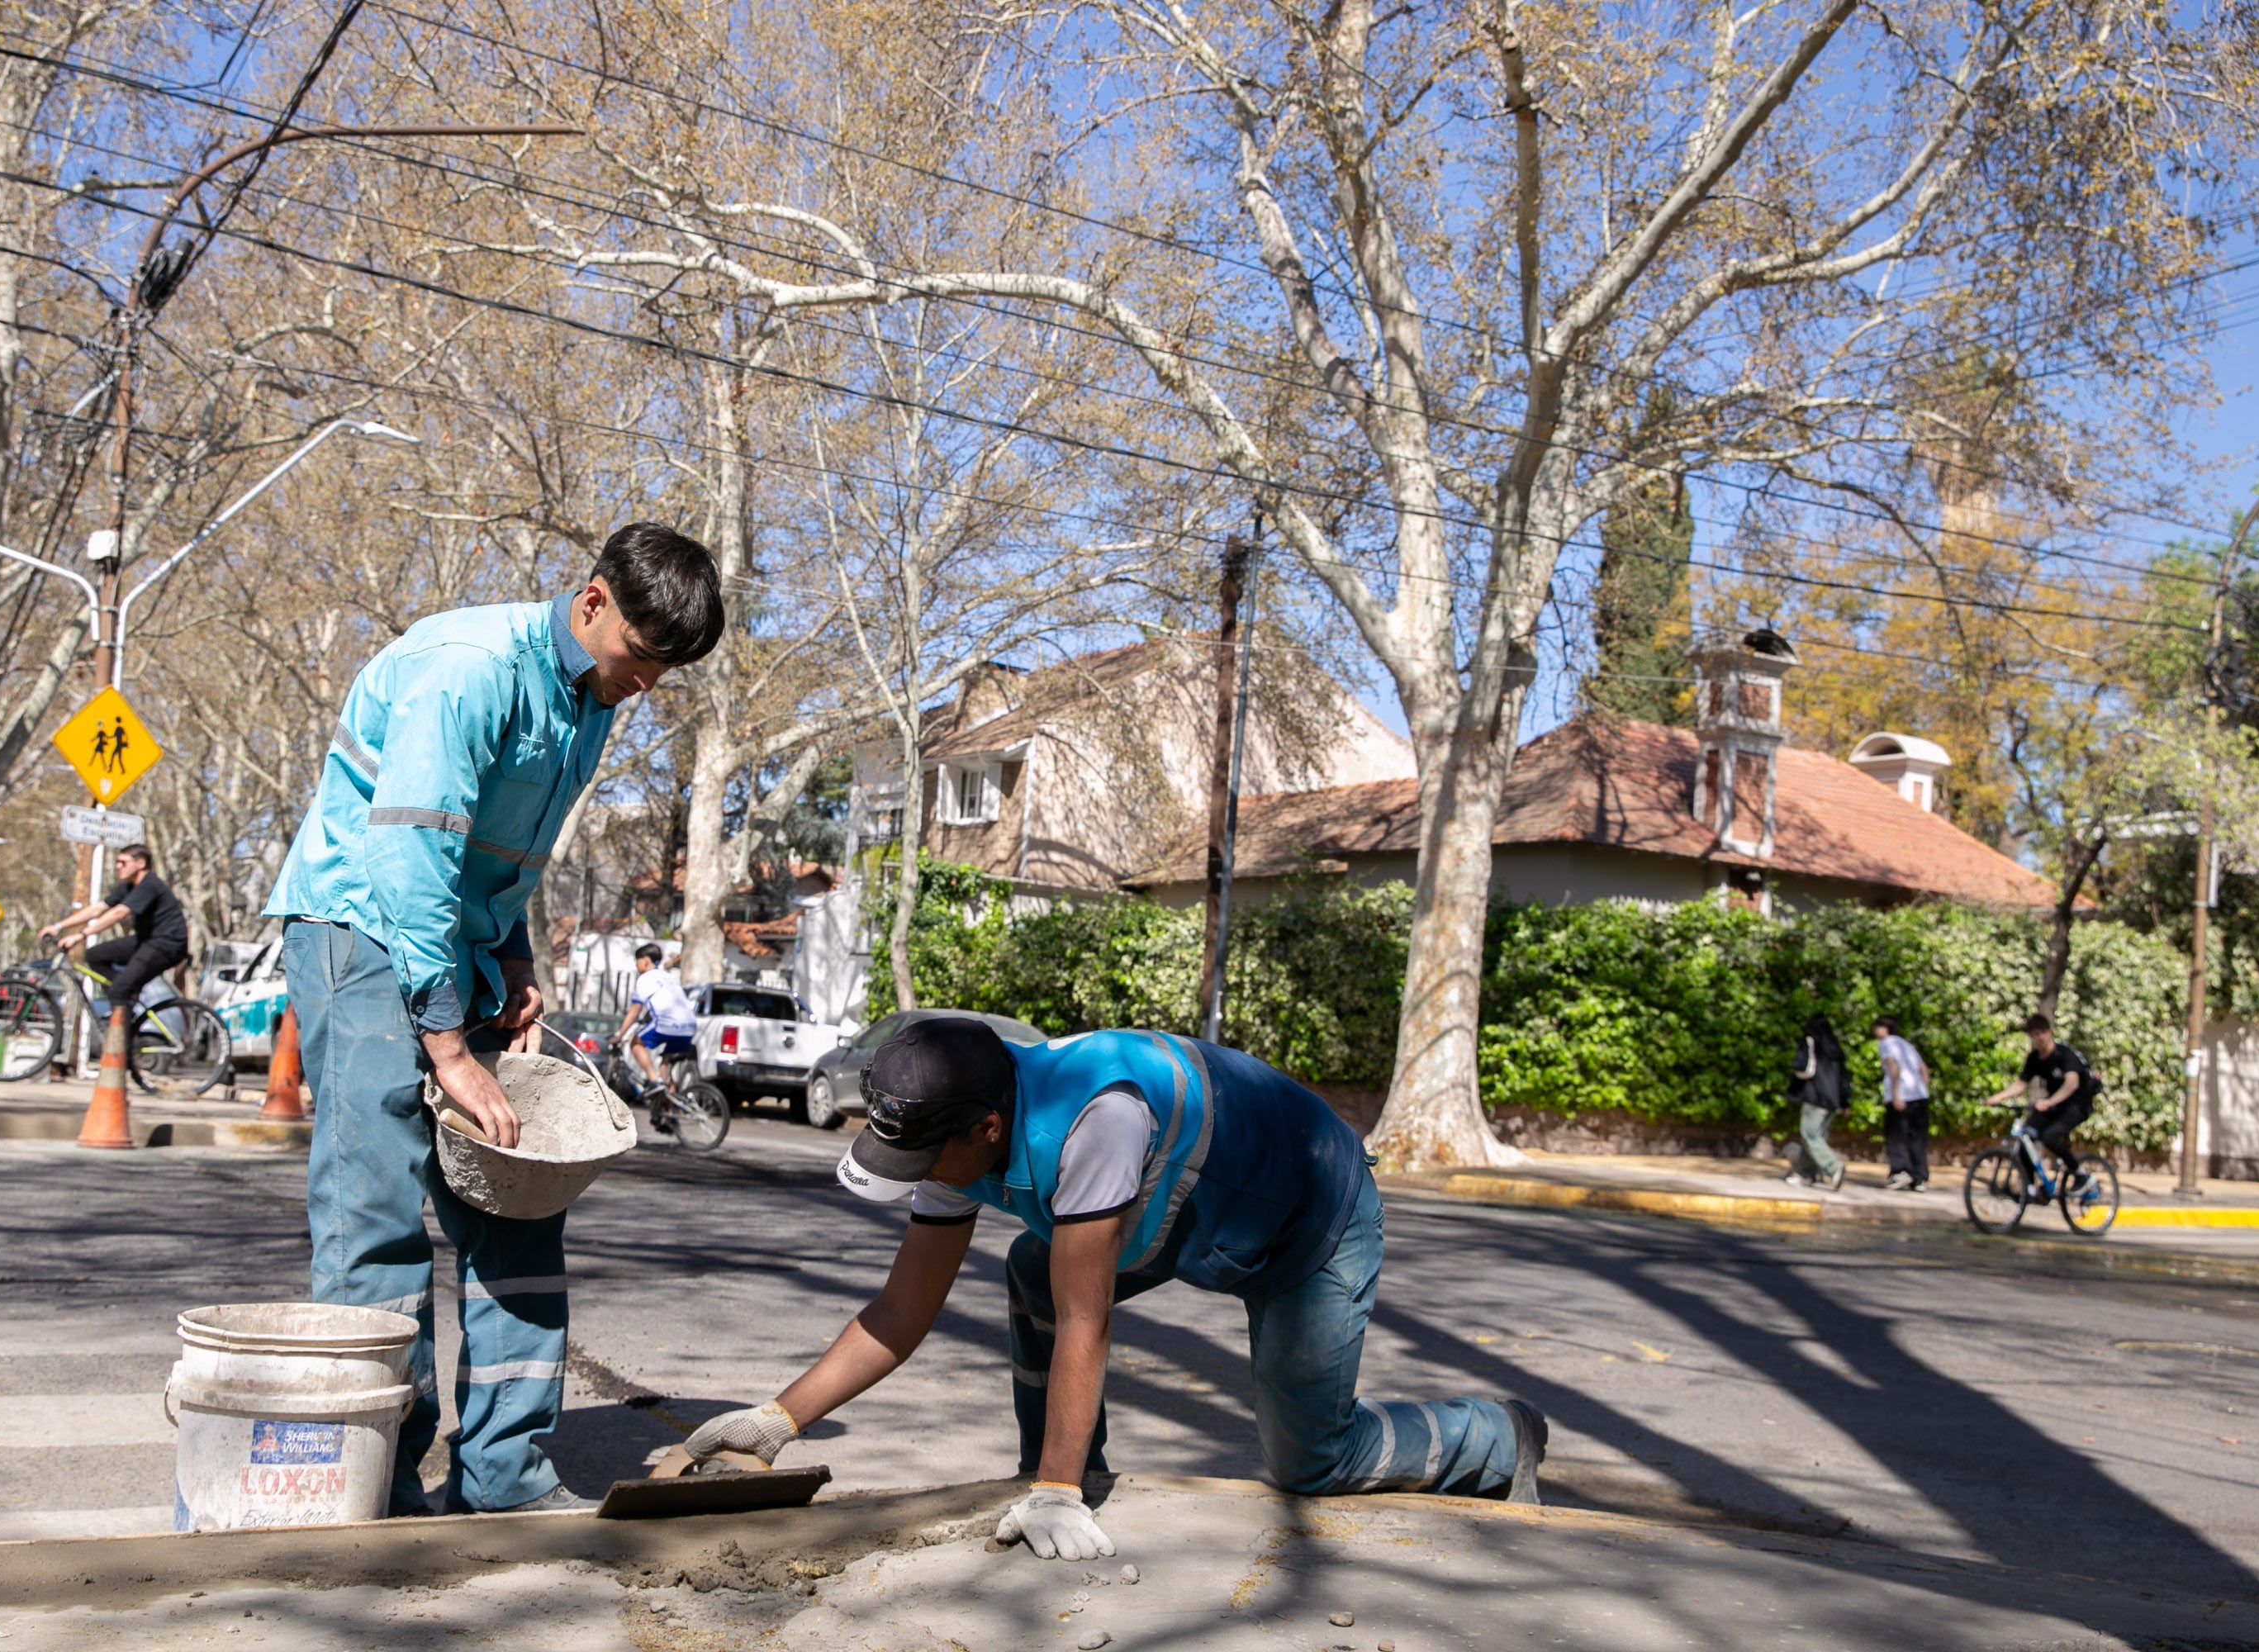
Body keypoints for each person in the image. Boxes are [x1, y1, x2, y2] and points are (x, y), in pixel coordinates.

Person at [676, 1016, 1547, 1561]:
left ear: (985, 1127)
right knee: (1033, 1269)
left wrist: (1056, 1494)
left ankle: (1498, 1436)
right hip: (1188, 1213)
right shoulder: (958, 1129)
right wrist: (775, 1420)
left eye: (921, 1160)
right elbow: (902, 1312)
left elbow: (1087, 1317)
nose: (914, 1176)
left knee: (1311, 1463)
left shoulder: (1098, 1118)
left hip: (1310, 1219)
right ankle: (1058, 1469)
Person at [265, 522, 723, 1517]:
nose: (645, 685)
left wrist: (513, 956)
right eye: (642, 658)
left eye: (664, 671)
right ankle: (373, 1480)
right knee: (378, 1210)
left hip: (454, 941)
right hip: (360, 931)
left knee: (519, 1199)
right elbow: (411, 857)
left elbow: (508, 852)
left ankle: (505, 1474)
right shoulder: (466, 668)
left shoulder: (591, 694)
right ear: (593, 599)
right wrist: (445, 1044)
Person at [37, 843, 189, 1017]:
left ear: (140, 863)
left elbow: (119, 913)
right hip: (146, 940)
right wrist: (58, 927)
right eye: (117, 862)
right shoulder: (129, 887)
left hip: (166, 945)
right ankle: (127, 996)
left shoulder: (150, 885)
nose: (118, 866)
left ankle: (119, 1035)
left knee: (119, 991)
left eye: (123, 862)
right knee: (94, 956)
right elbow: (97, 909)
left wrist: (81, 935)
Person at [1984, 1014, 2104, 1192]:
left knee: (2049, 1137)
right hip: (2056, 1105)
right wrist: (1997, 1098)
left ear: (2050, 1032)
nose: (2039, 1037)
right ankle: (2031, 1188)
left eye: (2042, 1033)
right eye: (2034, 1034)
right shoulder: (2035, 1058)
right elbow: (2021, 1084)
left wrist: (2049, 1102)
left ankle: (2080, 1175)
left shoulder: (2063, 1055)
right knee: (2026, 1136)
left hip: (2077, 1105)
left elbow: (2072, 1083)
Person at [612, 942, 695, 1086]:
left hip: (667, 1024)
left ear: (645, 960)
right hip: (689, 1026)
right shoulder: (669, 977)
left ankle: (653, 1080)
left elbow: (634, 1011)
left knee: (635, 1042)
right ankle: (668, 1104)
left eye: (637, 961)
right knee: (666, 1066)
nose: (636, 966)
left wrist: (620, 1035)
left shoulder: (645, 979)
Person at [1782, 1012, 1848, 1191]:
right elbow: (1844, 1077)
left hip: (1816, 1096)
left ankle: (1833, 1167)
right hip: (1832, 1100)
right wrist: (1845, 1102)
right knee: (1814, 1137)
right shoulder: (1834, 1048)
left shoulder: (1810, 1041)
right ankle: (1806, 1174)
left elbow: (1801, 1066)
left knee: (1809, 1134)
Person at [1872, 1016, 1932, 1192]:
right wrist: (1923, 1090)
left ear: (1884, 1028)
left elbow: (1894, 1068)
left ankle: (1900, 1172)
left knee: (1896, 1135)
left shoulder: (1886, 1043)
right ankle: (1920, 1178)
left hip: (1901, 1096)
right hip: (1920, 1096)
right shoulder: (1907, 1044)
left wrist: (1897, 1095)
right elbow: (1923, 1068)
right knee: (1918, 1138)